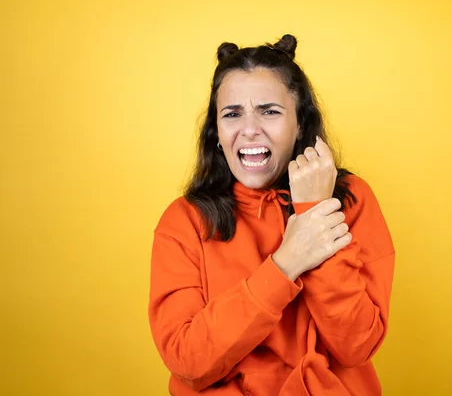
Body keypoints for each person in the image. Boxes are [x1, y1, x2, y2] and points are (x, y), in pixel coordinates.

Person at [149, 34, 395, 396]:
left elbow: (356, 345)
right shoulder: (182, 221)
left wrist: (314, 211)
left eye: (269, 111)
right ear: (217, 131)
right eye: (233, 114)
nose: (249, 129)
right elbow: (188, 360)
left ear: (299, 125)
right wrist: (285, 265)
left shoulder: (352, 200)